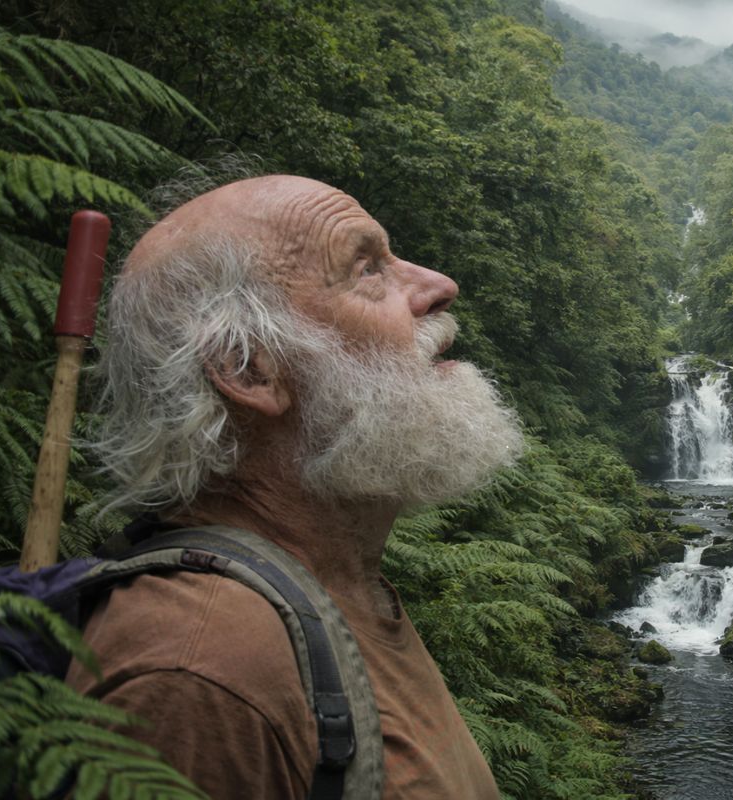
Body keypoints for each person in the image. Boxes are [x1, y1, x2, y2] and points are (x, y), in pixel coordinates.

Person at [65, 175, 525, 798]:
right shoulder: (199, 672)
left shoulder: (332, 588)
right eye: (367, 269)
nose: (440, 286)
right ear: (249, 368)